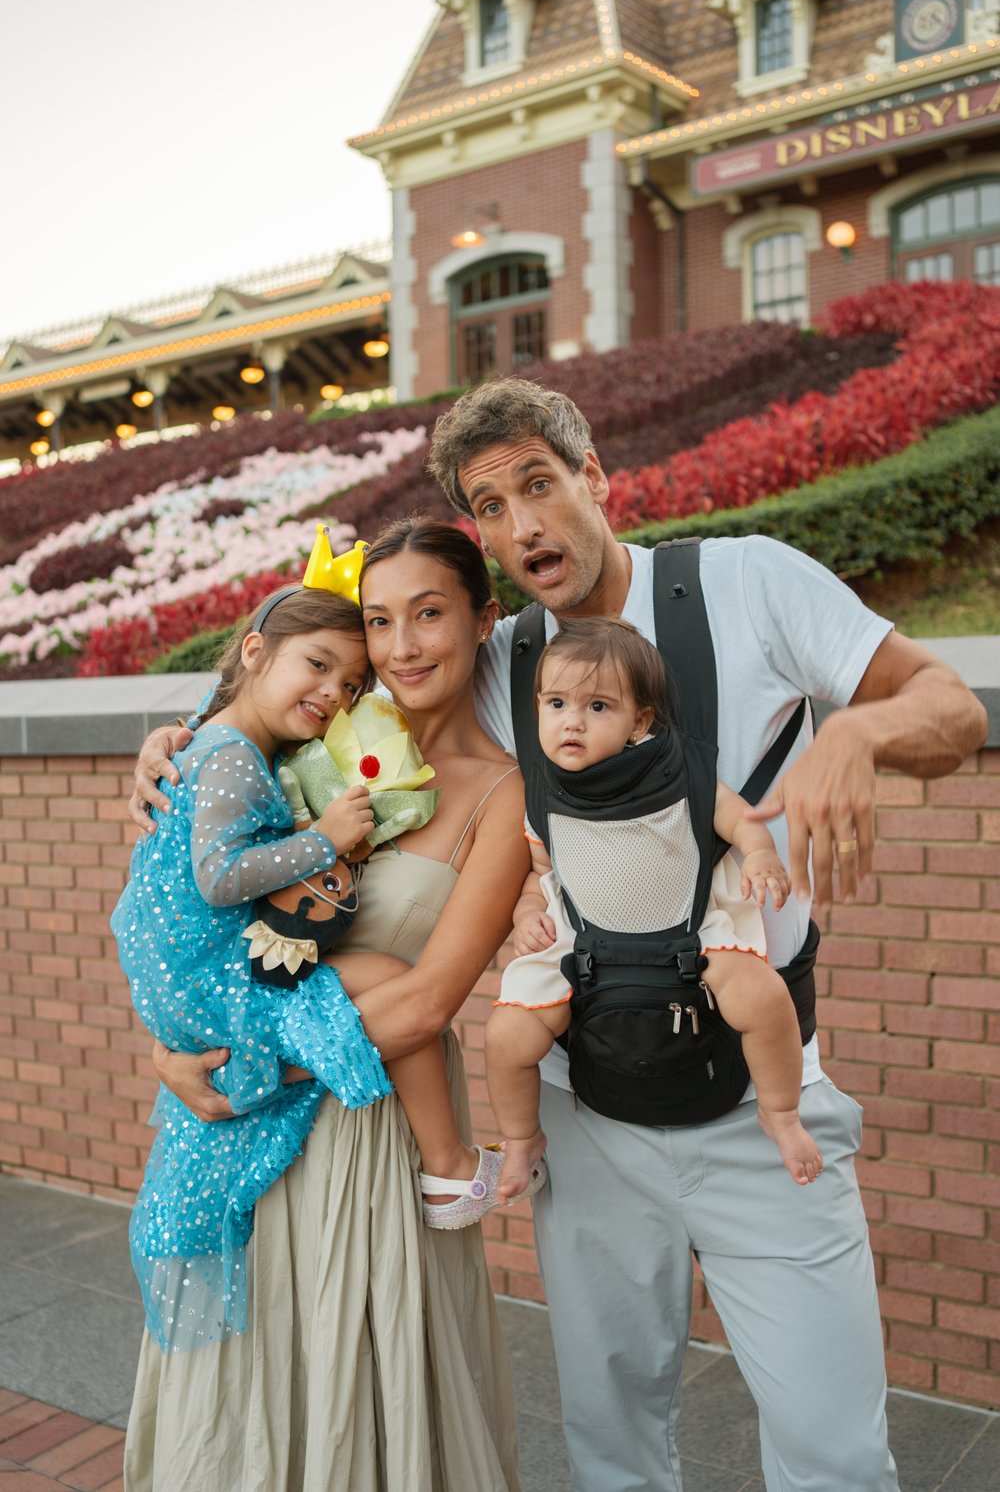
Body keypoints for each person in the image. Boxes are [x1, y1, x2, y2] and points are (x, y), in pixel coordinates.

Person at [133, 379, 987, 1492]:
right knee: (609, 1449)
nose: (523, 523)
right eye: (491, 507)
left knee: (833, 1453)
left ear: (594, 478)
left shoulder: (751, 581)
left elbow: (953, 711)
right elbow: (311, 699)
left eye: (540, 483)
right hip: (585, 1116)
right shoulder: (496, 663)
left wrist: (859, 734)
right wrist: (179, 745)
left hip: (761, 1107)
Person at [125, 517, 529, 1492]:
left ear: (483, 621)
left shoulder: (501, 795)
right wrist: (175, 736)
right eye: (379, 621)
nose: (400, 646)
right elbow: (202, 911)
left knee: (365, 1395)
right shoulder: (310, 748)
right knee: (246, 1393)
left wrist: (240, 1060)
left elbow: (429, 1003)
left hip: (370, 1131)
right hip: (255, 1135)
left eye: (428, 614)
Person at [487, 614, 823, 1203]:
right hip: (584, 944)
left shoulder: (679, 772)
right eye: (558, 703)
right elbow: (543, 874)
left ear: (639, 720)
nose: (572, 720)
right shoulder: (542, 794)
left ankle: (782, 1112)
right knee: (505, 1035)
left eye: (597, 707)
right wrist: (524, 915)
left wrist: (762, 854)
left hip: (689, 935)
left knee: (762, 998)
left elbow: (738, 818)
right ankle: (520, 1139)